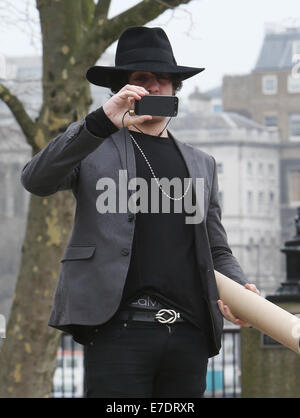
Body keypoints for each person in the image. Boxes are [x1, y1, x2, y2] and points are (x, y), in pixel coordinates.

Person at [21, 26, 259, 398]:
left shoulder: (201, 164)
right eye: (142, 79)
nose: (154, 87)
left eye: (163, 80)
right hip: (118, 330)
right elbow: (36, 179)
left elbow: (216, 248)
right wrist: (100, 120)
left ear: (175, 89)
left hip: (189, 332)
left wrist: (242, 291)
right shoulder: (93, 147)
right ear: (122, 89)